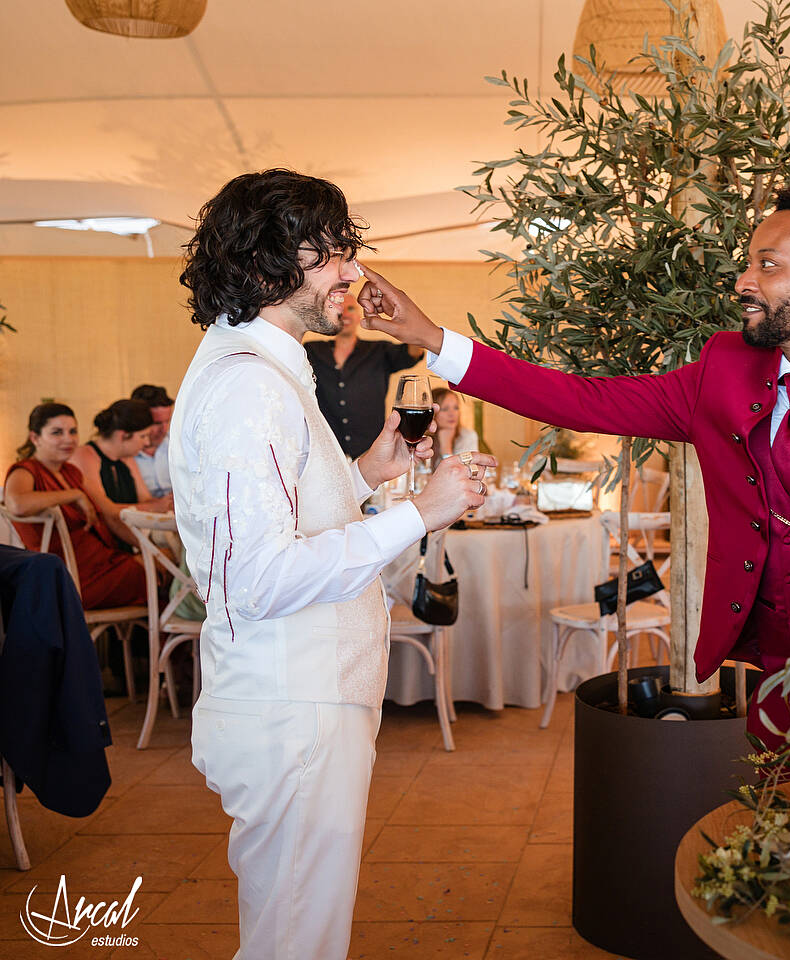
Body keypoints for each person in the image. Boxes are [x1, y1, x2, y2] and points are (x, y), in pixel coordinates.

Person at [359, 182, 790, 744]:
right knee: (777, 801)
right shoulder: (723, 370)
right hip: (768, 663)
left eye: (768, 265)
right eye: (747, 263)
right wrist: (434, 338)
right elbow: (580, 399)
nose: (744, 281)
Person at [173, 168, 491, 960]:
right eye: (333, 254)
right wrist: (419, 513)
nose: (352, 272)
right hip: (294, 705)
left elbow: (284, 518)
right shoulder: (250, 387)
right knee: (297, 942)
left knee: (299, 932)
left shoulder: (268, 369)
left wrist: (367, 473)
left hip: (302, 695)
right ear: (265, 268)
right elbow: (258, 579)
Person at [4, 402, 147, 609]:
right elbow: (17, 504)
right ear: (35, 438)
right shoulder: (25, 470)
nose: (68, 439)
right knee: (167, 575)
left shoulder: (71, 472)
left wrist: (148, 548)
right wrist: (74, 495)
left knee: (163, 563)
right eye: (57, 433)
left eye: (73, 431)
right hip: (70, 579)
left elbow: (110, 514)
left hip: (102, 564)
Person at [305, 292, 424, 458]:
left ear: (358, 315)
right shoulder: (312, 350)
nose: (345, 314)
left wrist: (409, 322)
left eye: (350, 309)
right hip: (326, 452)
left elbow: (413, 353)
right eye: (339, 308)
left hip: (370, 453)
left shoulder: (378, 351)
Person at [72, 399, 171, 550]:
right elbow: (107, 512)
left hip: (129, 534)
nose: (146, 443)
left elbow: (145, 499)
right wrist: (154, 507)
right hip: (101, 541)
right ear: (123, 435)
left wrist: (167, 503)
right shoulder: (84, 456)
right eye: (143, 436)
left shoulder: (127, 457)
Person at [131, 384, 175, 498]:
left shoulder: (177, 445)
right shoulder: (124, 453)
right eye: (157, 423)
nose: (164, 429)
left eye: (168, 421)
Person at [431, 388, 480, 460]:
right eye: (445, 409)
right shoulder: (422, 439)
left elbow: (465, 467)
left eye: (456, 408)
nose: (452, 414)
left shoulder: (467, 436)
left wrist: (446, 448)